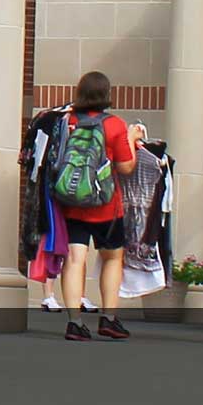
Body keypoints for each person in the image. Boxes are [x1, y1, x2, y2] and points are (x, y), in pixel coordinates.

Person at [52, 72, 138, 342]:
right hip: (106, 206)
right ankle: (109, 319)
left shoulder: (67, 121)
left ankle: (74, 322)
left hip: (71, 203)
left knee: (75, 260)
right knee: (112, 257)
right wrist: (132, 139)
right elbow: (126, 167)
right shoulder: (115, 125)